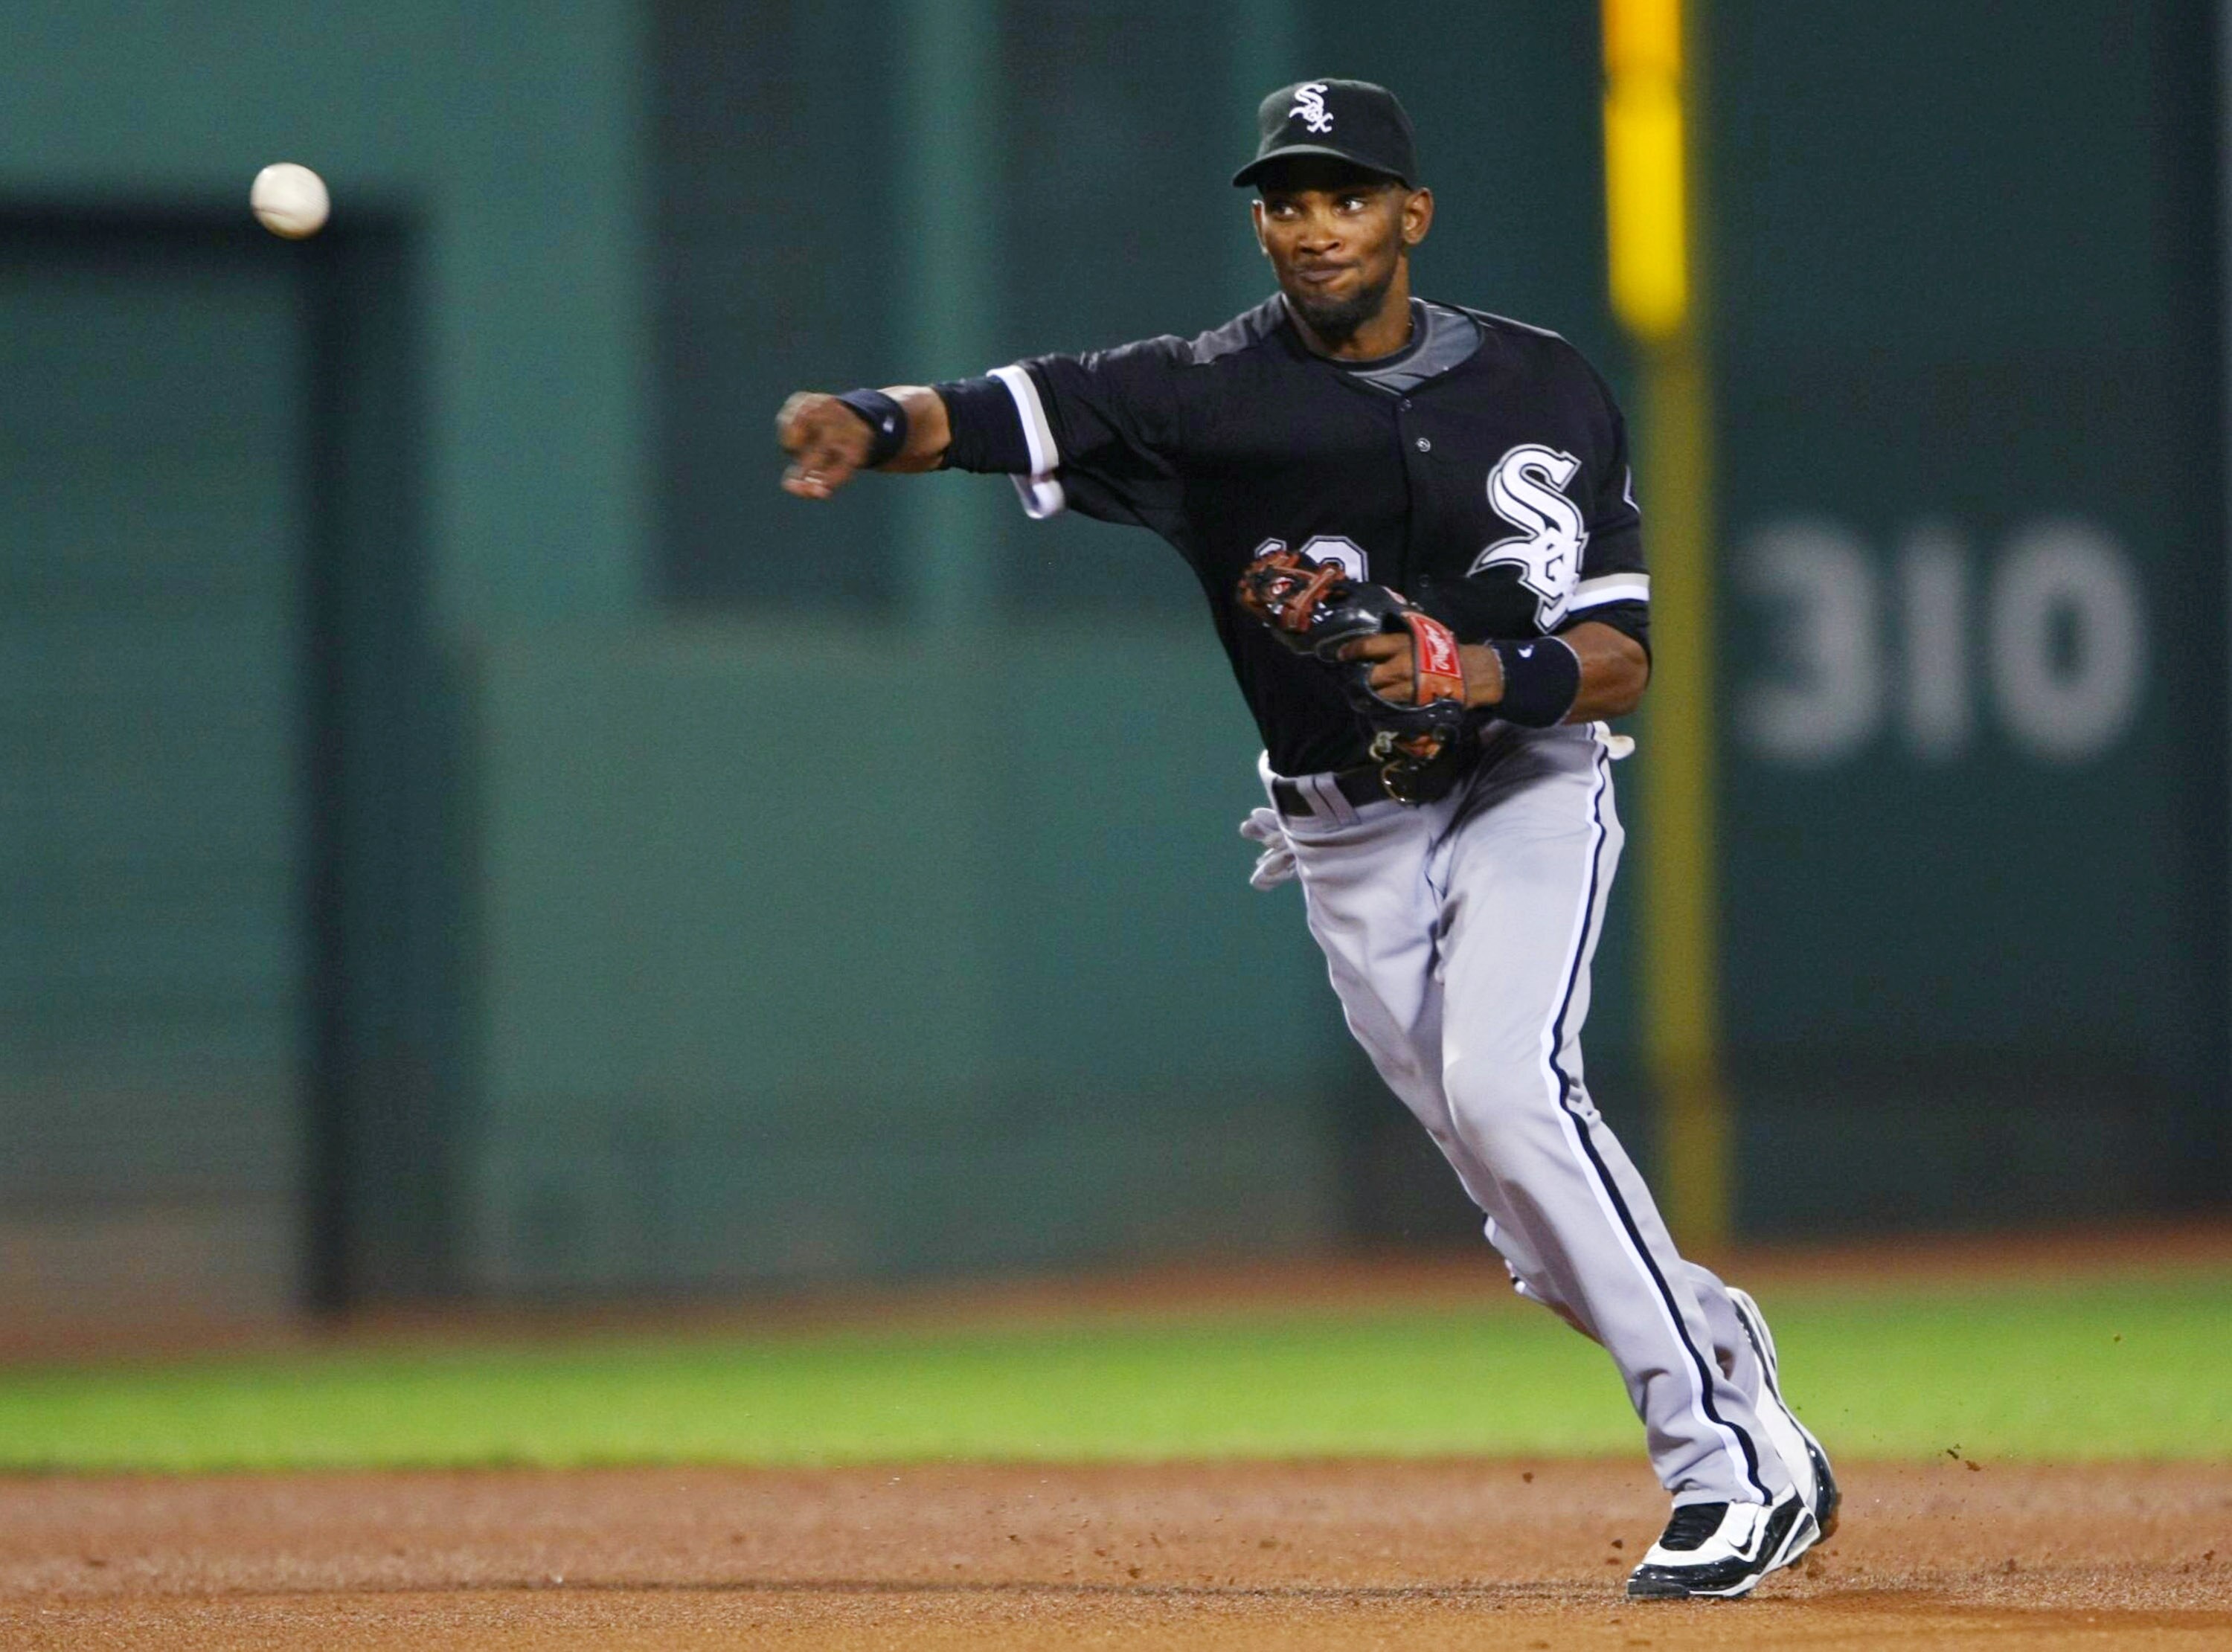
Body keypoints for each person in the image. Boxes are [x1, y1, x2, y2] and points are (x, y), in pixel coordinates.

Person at [775, 77, 1837, 1601]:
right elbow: (998, 412)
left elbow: (1623, 656)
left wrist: (1476, 674)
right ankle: (1723, 1348)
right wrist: (869, 425)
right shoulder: (1200, 393)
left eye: (1346, 194)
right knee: (1533, 1225)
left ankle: (1725, 1464)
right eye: (1286, 197)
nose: (1314, 223)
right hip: (1346, 837)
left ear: (1412, 214)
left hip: (1527, 783)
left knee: (1512, 1088)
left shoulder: (1544, 386)